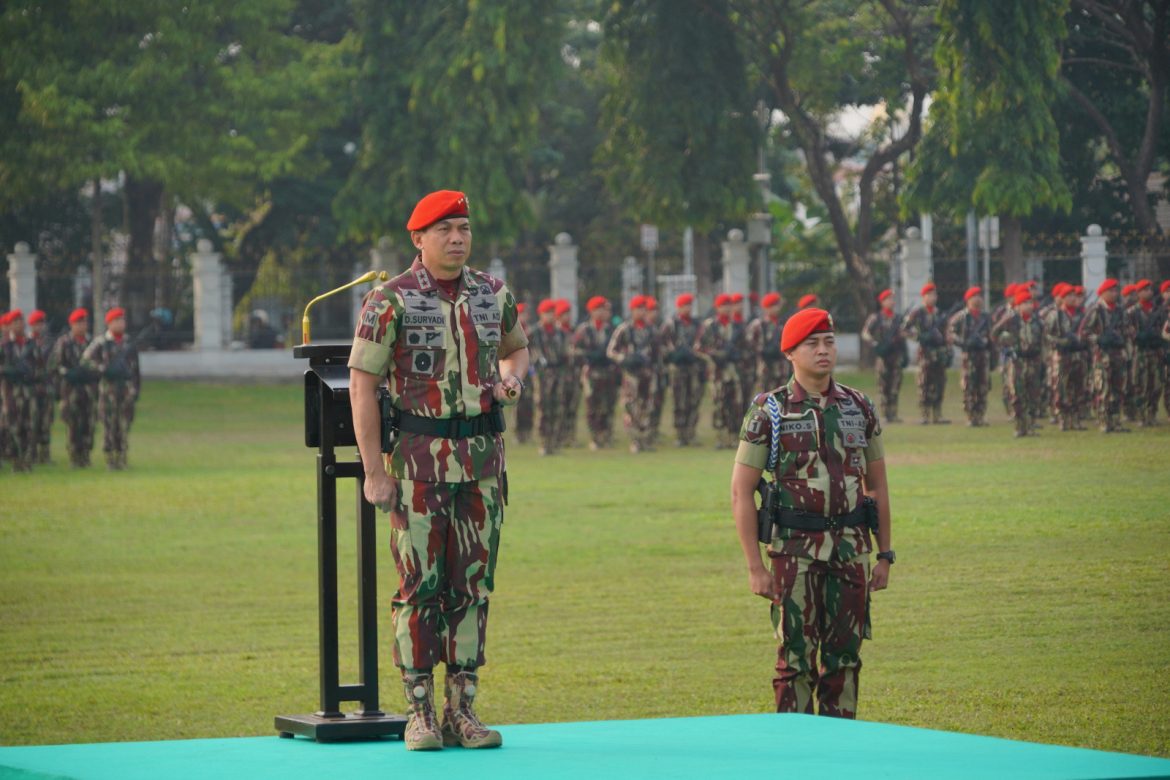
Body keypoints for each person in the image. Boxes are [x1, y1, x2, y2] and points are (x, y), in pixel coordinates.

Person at [347, 190, 527, 751]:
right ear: (418, 239)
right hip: (417, 468)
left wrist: (513, 377)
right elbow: (362, 385)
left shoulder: (492, 294)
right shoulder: (389, 300)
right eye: (445, 229)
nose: (457, 238)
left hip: (482, 466)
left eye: (464, 228)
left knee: (472, 587)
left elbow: (518, 349)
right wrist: (374, 472)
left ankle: (463, 710)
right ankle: (419, 711)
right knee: (418, 589)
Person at [730, 307, 892, 719]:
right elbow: (740, 492)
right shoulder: (769, 412)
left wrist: (885, 554)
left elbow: (877, 485)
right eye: (812, 344)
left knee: (845, 660)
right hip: (795, 553)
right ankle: (796, 758)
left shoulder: (860, 406)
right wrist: (755, 567)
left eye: (829, 342)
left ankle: (840, 756)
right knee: (795, 662)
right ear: (791, 353)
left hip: (851, 551)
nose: (823, 351)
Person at [82, 307, 141, 469]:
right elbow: (86, 361)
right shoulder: (101, 343)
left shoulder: (129, 343)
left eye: (122, 320)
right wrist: (103, 369)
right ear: (109, 323)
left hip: (126, 389)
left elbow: (136, 370)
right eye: (117, 321)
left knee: (124, 424)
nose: (121, 323)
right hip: (108, 390)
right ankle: (110, 458)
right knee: (109, 425)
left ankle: (122, 457)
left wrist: (136, 389)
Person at [607, 295, 660, 453]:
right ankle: (635, 440)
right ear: (632, 310)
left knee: (647, 406)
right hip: (630, 376)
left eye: (644, 309)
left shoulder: (652, 330)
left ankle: (645, 439)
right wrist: (624, 358)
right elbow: (611, 351)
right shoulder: (624, 329)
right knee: (631, 407)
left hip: (647, 374)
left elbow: (658, 354)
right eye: (638, 309)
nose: (642, 312)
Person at [1078, 278, 1131, 433]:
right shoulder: (1095, 310)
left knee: (1119, 389)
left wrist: (1121, 337)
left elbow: (1129, 330)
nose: (1115, 294)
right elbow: (1083, 333)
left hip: (1118, 354)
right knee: (1103, 389)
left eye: (1116, 291)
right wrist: (1099, 339)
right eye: (1111, 291)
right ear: (1103, 293)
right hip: (1102, 356)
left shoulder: (1120, 311)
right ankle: (1104, 422)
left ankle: (1116, 422)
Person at [992, 289, 1045, 437]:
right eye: (1025, 303)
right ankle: (1019, 427)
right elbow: (994, 333)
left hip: (1033, 361)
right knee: (1017, 395)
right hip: (1017, 362)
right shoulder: (1010, 319)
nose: (1028, 306)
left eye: (1030, 302)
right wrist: (1006, 346)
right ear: (1018, 305)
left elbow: (1043, 340)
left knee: (1033, 395)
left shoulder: (1038, 321)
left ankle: (1031, 426)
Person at [696, 293, 744, 449]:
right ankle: (721, 437)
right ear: (717, 307)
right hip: (717, 373)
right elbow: (698, 348)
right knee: (719, 404)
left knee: (736, 405)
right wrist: (714, 355)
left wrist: (737, 355)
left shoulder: (737, 326)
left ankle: (734, 436)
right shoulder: (710, 326)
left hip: (734, 372)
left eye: (729, 306)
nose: (727, 309)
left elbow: (747, 347)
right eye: (724, 305)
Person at [50, 308, 97, 466]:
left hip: (88, 390)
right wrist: (67, 374)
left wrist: (90, 372)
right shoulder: (64, 343)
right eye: (79, 323)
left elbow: (98, 365)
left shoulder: (92, 343)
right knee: (73, 424)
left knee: (88, 423)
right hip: (70, 390)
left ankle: (85, 454)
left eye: (84, 322)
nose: (82, 326)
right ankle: (74, 456)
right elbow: (56, 366)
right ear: (72, 324)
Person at [900, 282, 950, 424]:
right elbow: (904, 330)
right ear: (924, 297)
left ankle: (938, 414)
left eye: (934, 295)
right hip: (925, 353)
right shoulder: (917, 313)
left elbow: (947, 332)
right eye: (929, 295)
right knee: (924, 383)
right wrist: (919, 337)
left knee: (940, 383)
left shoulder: (940, 313)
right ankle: (925, 414)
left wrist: (946, 344)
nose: (932, 297)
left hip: (939, 353)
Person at [573, 295, 619, 450]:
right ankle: (595, 437)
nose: (601, 313)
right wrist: (588, 355)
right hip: (591, 372)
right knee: (592, 405)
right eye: (598, 309)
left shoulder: (612, 329)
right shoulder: (584, 330)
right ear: (591, 311)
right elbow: (574, 350)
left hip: (608, 371)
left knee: (608, 404)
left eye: (603, 309)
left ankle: (606, 435)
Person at [659, 293, 705, 446]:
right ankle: (680, 434)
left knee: (694, 400)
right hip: (677, 369)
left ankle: (690, 433)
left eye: (690, 305)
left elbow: (703, 343)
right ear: (678, 307)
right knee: (679, 401)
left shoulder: (698, 324)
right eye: (685, 305)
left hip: (693, 368)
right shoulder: (670, 324)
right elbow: (661, 345)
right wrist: (673, 355)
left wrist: (695, 354)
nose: (688, 308)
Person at [1043, 284, 1089, 431]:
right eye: (1068, 296)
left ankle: (1076, 419)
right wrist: (1061, 342)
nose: (1072, 298)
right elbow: (1047, 336)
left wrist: (1083, 340)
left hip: (1078, 355)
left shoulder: (1082, 315)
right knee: (1062, 388)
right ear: (1062, 298)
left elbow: (1088, 332)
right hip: (1062, 356)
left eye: (1074, 295)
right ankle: (1063, 418)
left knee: (1078, 388)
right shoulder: (1055, 315)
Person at [947, 287, 993, 427]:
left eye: (979, 296)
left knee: (983, 385)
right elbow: (950, 332)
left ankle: (981, 415)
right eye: (975, 296)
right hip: (969, 356)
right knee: (969, 385)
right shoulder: (962, 316)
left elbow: (992, 335)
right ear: (968, 299)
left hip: (983, 355)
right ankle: (970, 415)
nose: (978, 299)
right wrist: (963, 342)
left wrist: (986, 342)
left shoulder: (986, 317)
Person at [1, 309, 39, 472]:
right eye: (14, 322)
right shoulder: (4, 346)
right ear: (9, 326)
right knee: (12, 426)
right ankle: (16, 460)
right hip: (10, 392)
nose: (18, 325)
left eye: (20, 321)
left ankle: (27, 459)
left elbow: (41, 366)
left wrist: (32, 373)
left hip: (28, 391)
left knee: (29, 425)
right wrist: (10, 370)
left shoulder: (31, 345)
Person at [860, 289, 905, 423]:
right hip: (882, 358)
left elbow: (907, 332)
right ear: (882, 302)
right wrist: (874, 343)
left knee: (895, 385)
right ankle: (885, 414)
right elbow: (865, 333)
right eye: (889, 299)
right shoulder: (876, 318)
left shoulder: (898, 318)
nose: (892, 301)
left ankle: (894, 413)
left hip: (896, 356)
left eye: (893, 299)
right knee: (883, 385)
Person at [1126, 279, 1165, 426]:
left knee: (1156, 385)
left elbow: (1164, 328)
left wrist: (1158, 338)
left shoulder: (1158, 310)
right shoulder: (1132, 312)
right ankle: (1141, 415)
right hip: (1140, 352)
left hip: (1155, 352)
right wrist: (1138, 336)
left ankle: (1152, 414)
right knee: (1141, 384)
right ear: (1138, 293)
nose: (1149, 292)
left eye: (1150, 289)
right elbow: (1127, 331)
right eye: (1145, 289)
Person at [745, 292, 789, 395]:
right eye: (774, 305)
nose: (777, 308)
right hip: (765, 367)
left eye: (778, 305)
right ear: (767, 308)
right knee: (765, 397)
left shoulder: (783, 323)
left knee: (782, 397)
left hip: (781, 367)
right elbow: (748, 343)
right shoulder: (758, 324)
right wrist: (761, 350)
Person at [27, 310, 55, 463]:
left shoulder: (49, 344)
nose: (39, 327)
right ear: (31, 326)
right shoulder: (27, 343)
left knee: (46, 421)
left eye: (41, 323)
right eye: (36, 324)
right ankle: (31, 453)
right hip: (31, 389)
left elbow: (53, 365)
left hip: (46, 388)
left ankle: (45, 454)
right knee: (32, 421)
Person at [555, 299, 582, 448]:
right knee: (560, 406)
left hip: (574, 374)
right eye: (564, 314)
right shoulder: (556, 332)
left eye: (569, 313)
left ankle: (570, 436)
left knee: (573, 406)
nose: (568, 316)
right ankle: (559, 436)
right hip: (560, 375)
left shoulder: (574, 332)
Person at [645, 297, 669, 445]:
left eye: (656, 310)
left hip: (660, 371)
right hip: (647, 374)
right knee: (648, 402)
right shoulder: (644, 330)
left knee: (659, 401)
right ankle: (646, 431)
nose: (654, 313)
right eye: (650, 310)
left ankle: (654, 429)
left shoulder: (660, 327)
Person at [511, 303, 535, 443]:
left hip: (529, 373)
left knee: (528, 402)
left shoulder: (531, 332)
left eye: (526, 314)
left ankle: (527, 432)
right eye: (521, 314)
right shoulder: (511, 331)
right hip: (515, 372)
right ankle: (517, 433)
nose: (524, 316)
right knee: (516, 403)